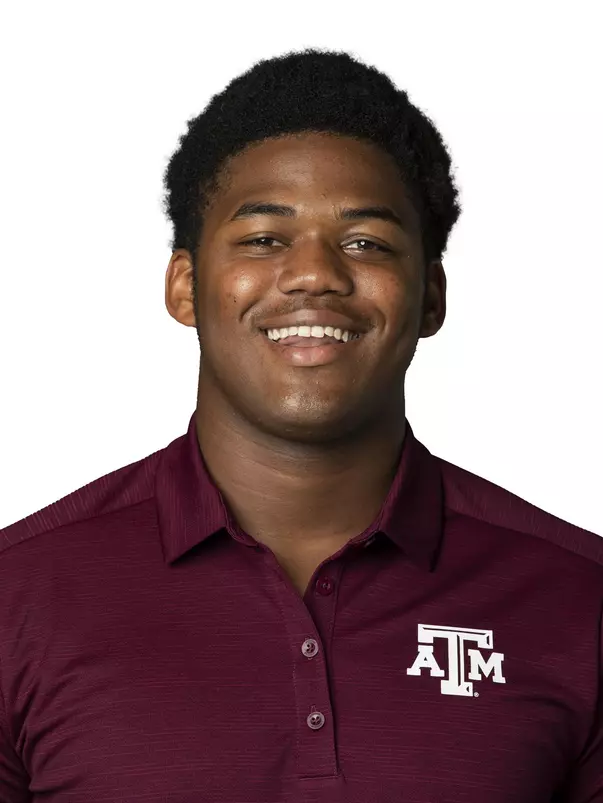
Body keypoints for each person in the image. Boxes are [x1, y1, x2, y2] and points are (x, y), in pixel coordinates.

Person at [0, 47, 601, 803]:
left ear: (429, 296)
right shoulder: (17, 594)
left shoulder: (579, 599)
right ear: (185, 285)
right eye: (263, 239)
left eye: (365, 243)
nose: (315, 273)